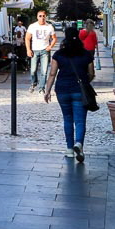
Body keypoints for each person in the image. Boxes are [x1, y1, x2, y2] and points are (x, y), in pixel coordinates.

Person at [44, 26, 96, 161]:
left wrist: (47, 91)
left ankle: (69, 149)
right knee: (80, 121)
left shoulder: (59, 54)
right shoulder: (86, 54)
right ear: (78, 36)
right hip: (79, 91)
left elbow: (52, 74)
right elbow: (91, 73)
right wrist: (85, 82)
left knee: (67, 118)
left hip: (62, 90)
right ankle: (79, 144)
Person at [25, 11, 57, 94]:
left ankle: (41, 88)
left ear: (46, 17)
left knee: (44, 71)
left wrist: (50, 46)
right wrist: (28, 49)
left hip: (44, 51)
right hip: (35, 50)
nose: (42, 18)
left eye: (43, 16)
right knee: (33, 70)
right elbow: (27, 38)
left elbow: (54, 38)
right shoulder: (32, 26)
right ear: (37, 17)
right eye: (40, 16)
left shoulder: (49, 26)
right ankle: (34, 82)